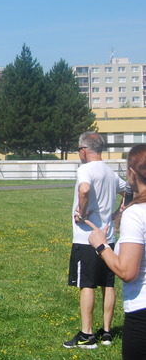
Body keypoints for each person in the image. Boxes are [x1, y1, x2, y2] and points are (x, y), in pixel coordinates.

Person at [64, 131, 127, 349]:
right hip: (107, 238)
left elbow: (84, 189)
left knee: (87, 284)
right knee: (107, 284)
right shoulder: (110, 172)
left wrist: (81, 213)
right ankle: (107, 333)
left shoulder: (85, 169)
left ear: (84, 150)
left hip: (87, 238)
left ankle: (87, 335)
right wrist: (119, 212)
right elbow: (128, 191)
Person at [85, 144, 146, 359]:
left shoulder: (137, 214)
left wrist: (101, 246)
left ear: (131, 173)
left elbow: (127, 271)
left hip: (142, 313)